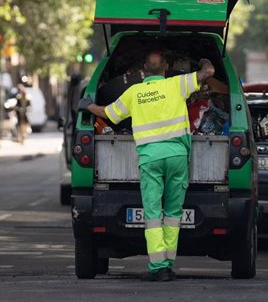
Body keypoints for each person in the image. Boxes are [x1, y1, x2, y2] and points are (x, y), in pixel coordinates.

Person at [79, 51, 215, 282]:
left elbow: (108, 114)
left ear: (144, 67)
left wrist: (88, 105)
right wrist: (203, 59)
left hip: (150, 159)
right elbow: (208, 72)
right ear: (167, 66)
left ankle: (158, 266)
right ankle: (168, 264)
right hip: (177, 157)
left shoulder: (134, 92)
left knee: (153, 214)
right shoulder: (177, 84)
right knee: (173, 213)